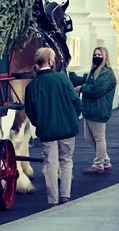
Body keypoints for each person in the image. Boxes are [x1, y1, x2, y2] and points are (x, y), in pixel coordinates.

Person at [24, 47, 82, 207]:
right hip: (67, 127)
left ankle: (53, 198)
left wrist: (40, 123)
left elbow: (30, 111)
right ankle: (65, 195)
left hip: (47, 130)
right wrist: (74, 117)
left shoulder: (32, 86)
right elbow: (76, 101)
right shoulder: (63, 78)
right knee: (66, 161)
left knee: (50, 164)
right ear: (50, 60)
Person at [69, 47, 117, 174]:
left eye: (99, 54)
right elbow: (84, 81)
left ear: (105, 56)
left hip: (98, 110)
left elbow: (97, 89)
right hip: (89, 110)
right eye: (95, 54)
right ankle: (105, 161)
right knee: (89, 138)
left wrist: (82, 88)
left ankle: (99, 165)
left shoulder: (106, 73)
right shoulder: (94, 71)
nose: (97, 56)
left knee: (99, 138)